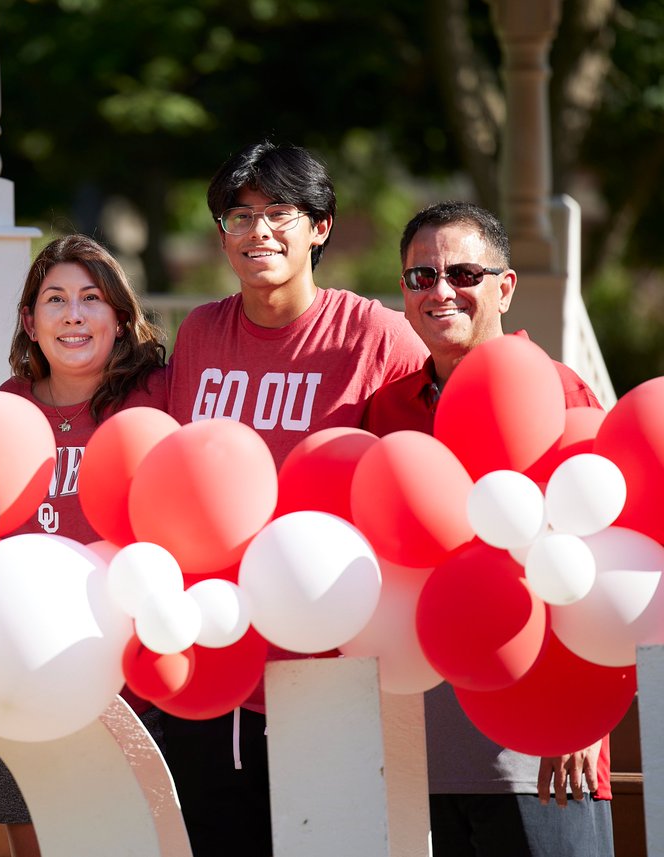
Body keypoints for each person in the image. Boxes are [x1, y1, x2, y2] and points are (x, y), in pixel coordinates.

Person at [163, 138, 429, 856]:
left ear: (320, 226)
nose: (258, 232)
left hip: (330, 663)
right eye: (238, 216)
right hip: (212, 658)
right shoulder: (200, 332)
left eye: (279, 211)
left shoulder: (376, 336)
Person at [362, 200, 614, 857]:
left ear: (504, 287)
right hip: (421, 756)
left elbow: (600, 564)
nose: (441, 291)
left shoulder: (561, 394)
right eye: (421, 277)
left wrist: (582, 719)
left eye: (464, 273)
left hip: (545, 750)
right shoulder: (385, 412)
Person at [0, 233, 169, 857]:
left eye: (91, 298)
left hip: (128, 684)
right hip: (21, 672)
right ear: (29, 321)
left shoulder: (155, 399)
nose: (74, 314)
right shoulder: (4, 407)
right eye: (55, 299)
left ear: (119, 316)